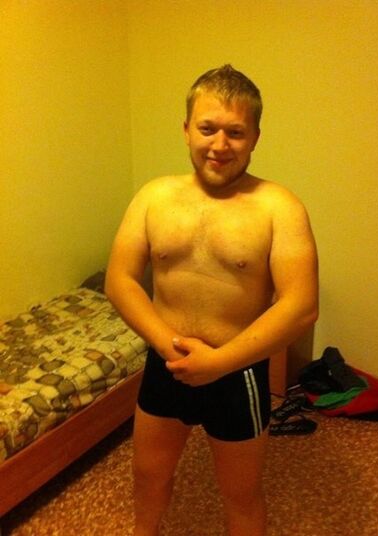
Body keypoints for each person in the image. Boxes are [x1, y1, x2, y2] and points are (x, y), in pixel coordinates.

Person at [105, 64, 318, 536]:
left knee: (241, 495)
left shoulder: (279, 207)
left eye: (236, 132)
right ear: (186, 129)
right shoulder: (153, 196)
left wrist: (218, 362)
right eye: (207, 129)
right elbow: (119, 280)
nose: (220, 145)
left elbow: (301, 305)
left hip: (236, 372)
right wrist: (169, 346)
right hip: (166, 364)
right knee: (148, 476)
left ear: (255, 137)